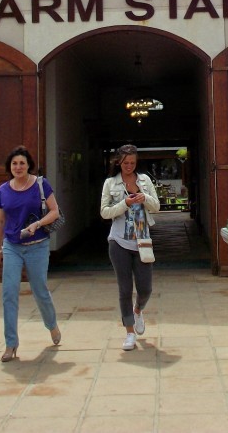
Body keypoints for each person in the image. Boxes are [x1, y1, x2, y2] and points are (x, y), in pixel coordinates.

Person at [0, 145, 62, 362]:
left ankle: (51, 325)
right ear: (10, 167)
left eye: (22, 163)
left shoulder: (41, 185)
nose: (18, 167)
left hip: (38, 244)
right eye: (14, 163)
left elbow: (55, 211)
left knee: (39, 289)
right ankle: (11, 344)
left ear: (28, 165)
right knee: (9, 293)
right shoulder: (4, 189)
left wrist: (37, 224)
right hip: (12, 245)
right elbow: (1, 220)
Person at [100, 144, 160, 351]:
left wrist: (145, 197)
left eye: (132, 163)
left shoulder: (145, 180)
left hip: (142, 240)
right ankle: (129, 332)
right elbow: (104, 212)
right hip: (118, 241)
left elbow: (157, 206)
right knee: (124, 289)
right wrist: (124, 203)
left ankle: (138, 309)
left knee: (145, 289)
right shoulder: (110, 183)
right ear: (119, 162)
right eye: (125, 163)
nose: (129, 166)